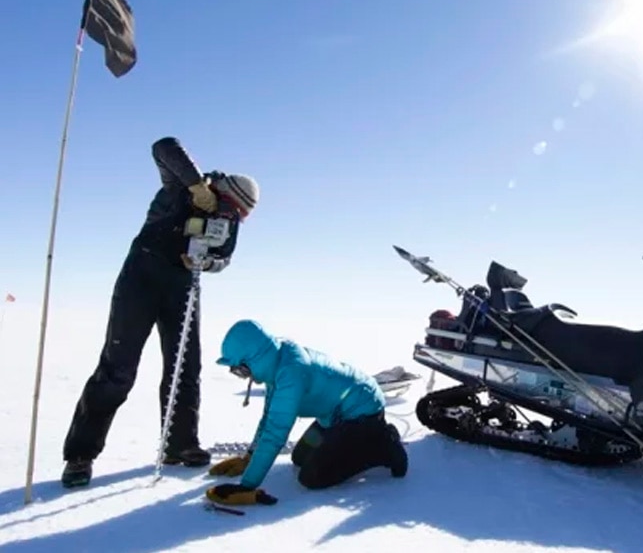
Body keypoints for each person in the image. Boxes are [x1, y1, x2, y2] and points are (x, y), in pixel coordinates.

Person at [61, 137, 259, 488]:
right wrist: (197, 185)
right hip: (142, 276)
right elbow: (164, 146)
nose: (229, 217)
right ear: (220, 191)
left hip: (183, 283)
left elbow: (224, 258)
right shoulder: (181, 187)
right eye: (227, 207)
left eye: (238, 216)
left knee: (185, 367)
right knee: (117, 370)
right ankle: (81, 455)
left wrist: (208, 261)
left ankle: (180, 445)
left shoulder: (229, 221)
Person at [204, 319, 407, 507]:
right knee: (300, 457)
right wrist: (249, 457)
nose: (242, 376)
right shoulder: (276, 364)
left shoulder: (291, 373)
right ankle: (362, 438)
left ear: (255, 359)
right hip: (332, 417)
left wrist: (247, 486)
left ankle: (383, 445)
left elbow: (276, 432)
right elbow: (268, 418)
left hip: (361, 411)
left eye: (240, 370)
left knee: (313, 477)